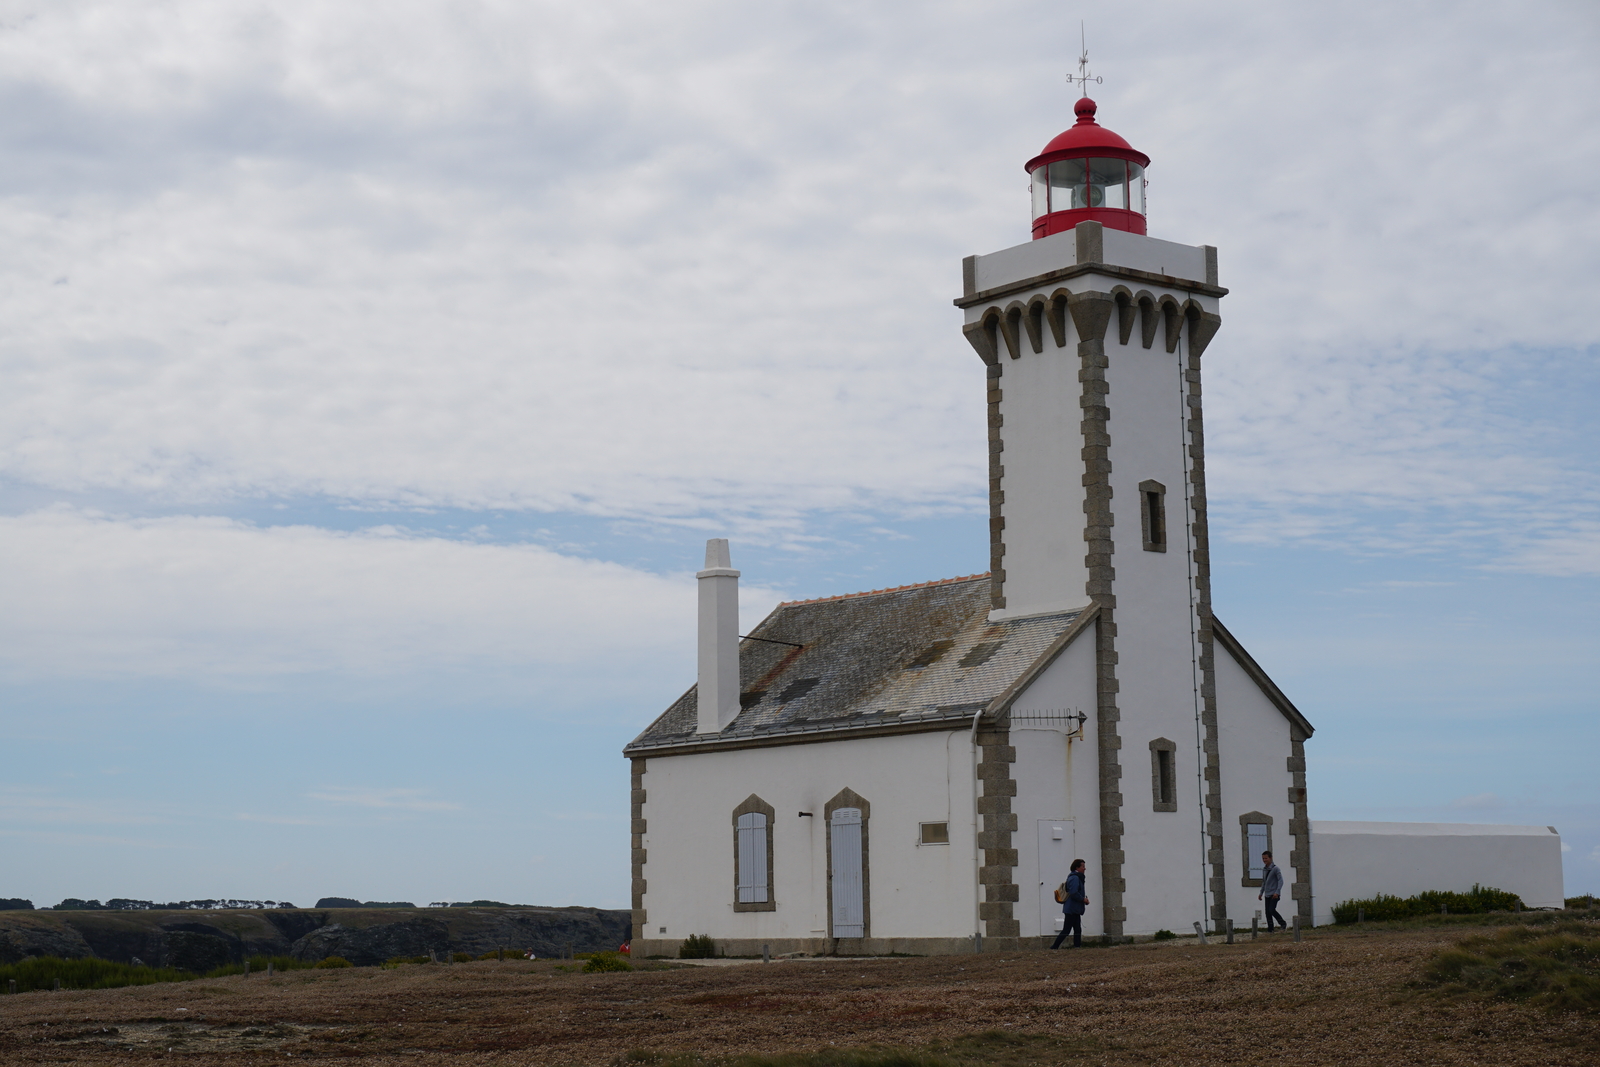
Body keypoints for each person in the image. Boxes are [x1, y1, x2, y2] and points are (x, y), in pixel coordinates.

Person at [1050, 859, 1089, 949]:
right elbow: (1073, 892)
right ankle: (1055, 946)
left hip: (1074, 908)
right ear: (1077, 867)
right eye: (1083, 866)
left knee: (1077, 928)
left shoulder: (1077, 877)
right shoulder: (1075, 878)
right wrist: (1083, 899)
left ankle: (1077, 946)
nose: (1084, 868)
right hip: (1072, 908)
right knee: (1067, 929)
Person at [1259, 850, 1285, 932]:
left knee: (1271, 910)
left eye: (1266, 858)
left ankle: (1283, 923)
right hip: (1267, 894)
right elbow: (1264, 882)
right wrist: (1261, 893)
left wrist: (1277, 892)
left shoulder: (1276, 869)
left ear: (1270, 858)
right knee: (1267, 912)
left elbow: (1280, 881)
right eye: (1263, 858)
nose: (1264, 860)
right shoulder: (1264, 869)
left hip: (1274, 894)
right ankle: (1270, 929)